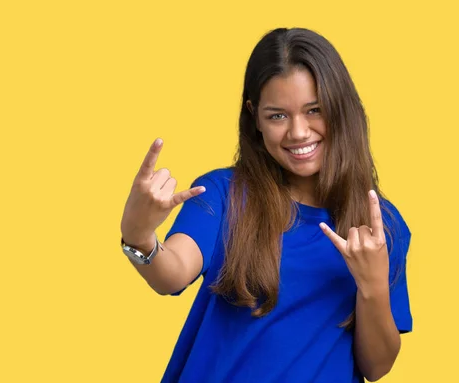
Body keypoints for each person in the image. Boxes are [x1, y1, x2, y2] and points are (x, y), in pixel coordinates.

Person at [119, 27, 412, 383]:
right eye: (278, 115)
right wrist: (138, 234)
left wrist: (372, 285)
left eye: (314, 110)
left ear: (341, 108)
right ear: (254, 116)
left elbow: (377, 367)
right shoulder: (223, 193)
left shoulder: (380, 226)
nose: (298, 132)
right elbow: (172, 273)